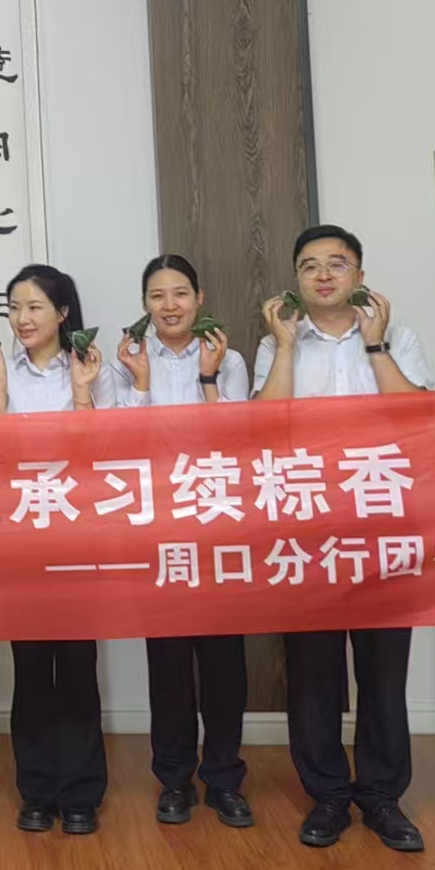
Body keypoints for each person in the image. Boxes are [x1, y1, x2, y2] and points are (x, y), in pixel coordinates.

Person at [253, 224, 434, 853]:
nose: (324, 275)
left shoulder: (396, 336)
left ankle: (383, 796)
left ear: (359, 274)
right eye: (310, 265)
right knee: (313, 671)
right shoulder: (276, 342)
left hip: (381, 523)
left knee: (383, 670)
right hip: (305, 526)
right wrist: (283, 348)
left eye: (337, 263)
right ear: (296, 280)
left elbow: (418, 418)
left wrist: (376, 344)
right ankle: (327, 794)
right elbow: (263, 430)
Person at [111, 254, 253, 830]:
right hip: (157, 528)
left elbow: (237, 441)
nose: (169, 306)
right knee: (167, 663)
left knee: (223, 664)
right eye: (157, 296)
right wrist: (141, 383)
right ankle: (173, 779)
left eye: (179, 294)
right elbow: (120, 444)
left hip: (216, 524)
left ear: (199, 298)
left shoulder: (228, 357)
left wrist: (209, 379)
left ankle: (224, 779)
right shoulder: (127, 361)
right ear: (145, 304)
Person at [0, 263, 114, 836]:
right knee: (30, 669)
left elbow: (106, 455)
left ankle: (80, 793)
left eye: (34, 306)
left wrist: (82, 394)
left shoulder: (94, 368)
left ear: (62, 312)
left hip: (79, 535)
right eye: (14, 307)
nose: (22, 318)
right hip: (21, 538)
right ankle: (36, 790)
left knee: (77, 667)